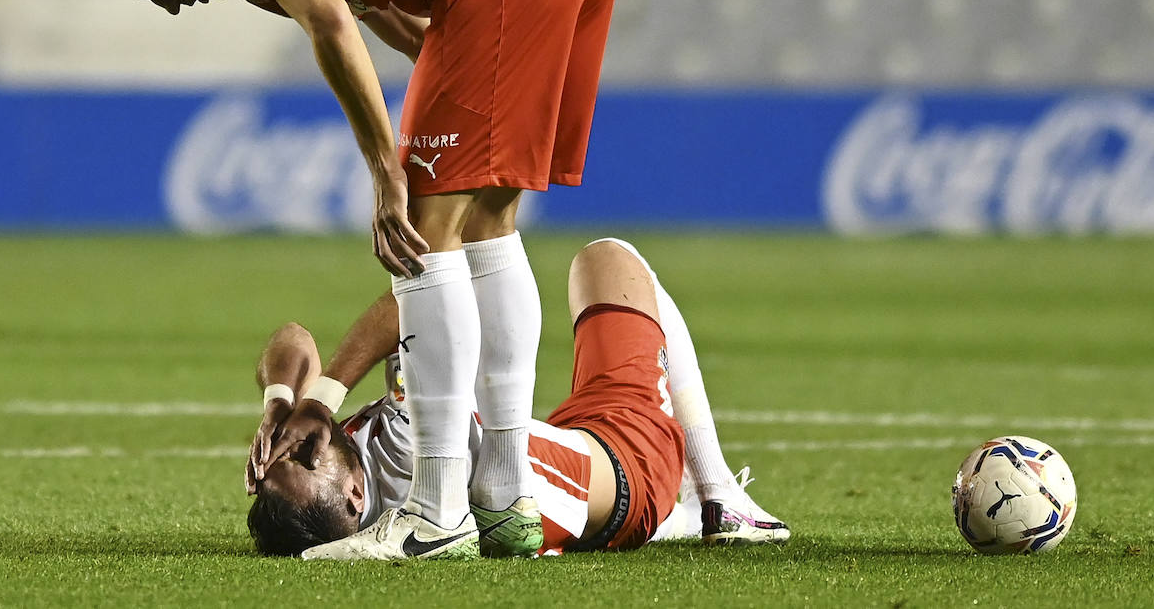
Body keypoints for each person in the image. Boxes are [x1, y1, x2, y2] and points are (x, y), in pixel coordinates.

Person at [89, 0, 618, 558]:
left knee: (422, 235)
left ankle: (438, 513)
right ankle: (504, 500)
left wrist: (386, 170)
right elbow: (380, 15)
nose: (168, 6)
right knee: (490, 224)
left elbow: (330, 24)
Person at [244, 238, 790, 559]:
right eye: (303, 456)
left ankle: (681, 514)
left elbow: (292, 339)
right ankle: (720, 495)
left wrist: (282, 403)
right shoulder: (411, 453)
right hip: (629, 461)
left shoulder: (325, 496)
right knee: (610, 262)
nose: (297, 445)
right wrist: (326, 395)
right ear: (358, 497)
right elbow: (426, 287)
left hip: (566, 456)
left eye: (280, 457)